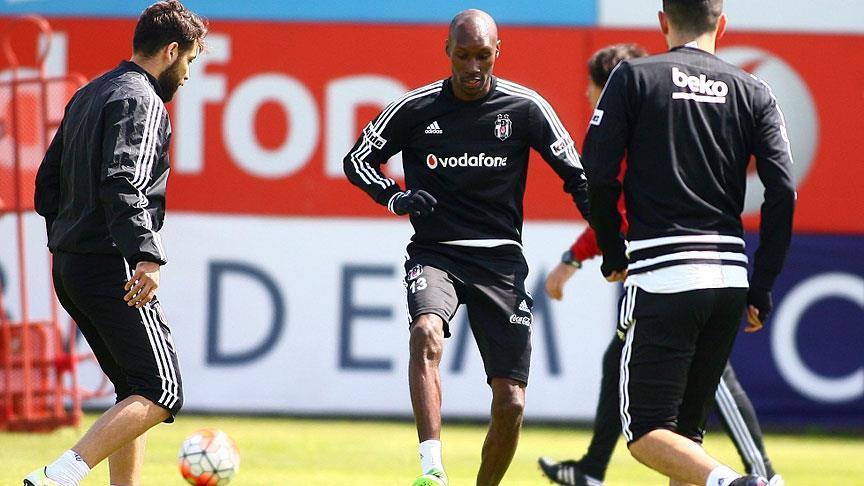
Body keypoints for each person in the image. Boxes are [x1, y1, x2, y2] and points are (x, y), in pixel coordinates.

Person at [343, 9, 591, 486]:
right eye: (463, 56)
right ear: (447, 51)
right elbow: (357, 160)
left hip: (500, 260)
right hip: (437, 252)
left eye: (483, 55)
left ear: (498, 51)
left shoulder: (526, 107)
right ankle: (432, 470)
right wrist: (395, 197)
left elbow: (578, 179)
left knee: (511, 402)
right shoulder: (415, 108)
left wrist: (611, 240)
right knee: (425, 332)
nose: (473, 67)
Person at [539, 43, 783, 486]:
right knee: (672, 418)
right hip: (726, 269)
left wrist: (590, 256)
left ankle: (754, 476)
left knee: (653, 427)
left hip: (669, 275)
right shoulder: (740, 94)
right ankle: (593, 467)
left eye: (593, 89)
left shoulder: (635, 115)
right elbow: (782, 190)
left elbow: (611, 201)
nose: (590, 98)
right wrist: (762, 285)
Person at [28, 2, 206, 485]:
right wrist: (145, 254)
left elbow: (46, 185)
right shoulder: (142, 99)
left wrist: (68, 241)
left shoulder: (90, 93)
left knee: (132, 387)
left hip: (71, 264)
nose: (188, 75)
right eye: (190, 61)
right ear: (171, 51)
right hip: (112, 265)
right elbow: (124, 181)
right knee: (162, 390)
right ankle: (59, 476)